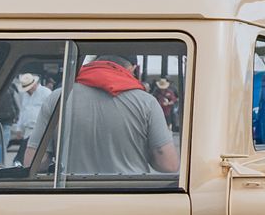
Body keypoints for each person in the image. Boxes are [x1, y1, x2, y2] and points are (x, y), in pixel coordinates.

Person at [57, 48, 177, 179]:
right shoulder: (147, 102)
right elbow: (169, 164)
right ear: (133, 69)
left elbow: (36, 160)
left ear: (96, 62)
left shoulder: (59, 97)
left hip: (70, 194)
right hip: (128, 192)